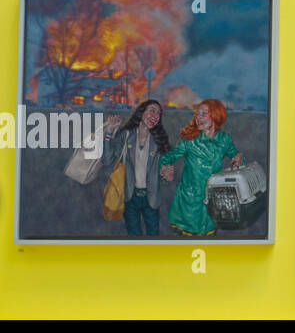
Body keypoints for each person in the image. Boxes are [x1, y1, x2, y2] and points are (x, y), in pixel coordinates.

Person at [159, 99, 242, 236]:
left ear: (216, 115)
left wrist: (238, 159)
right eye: (197, 114)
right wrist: (165, 168)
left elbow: (236, 156)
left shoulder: (224, 140)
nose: (199, 117)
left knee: (208, 246)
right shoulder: (189, 140)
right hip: (188, 206)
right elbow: (168, 157)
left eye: (204, 113)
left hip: (212, 204)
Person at [102, 99, 172, 236]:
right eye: (152, 110)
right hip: (130, 196)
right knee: (134, 237)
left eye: (158, 113)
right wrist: (109, 134)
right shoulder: (126, 135)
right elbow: (107, 160)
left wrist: (167, 174)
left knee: (153, 237)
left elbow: (165, 171)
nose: (155, 115)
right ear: (141, 112)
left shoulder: (159, 140)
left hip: (151, 198)